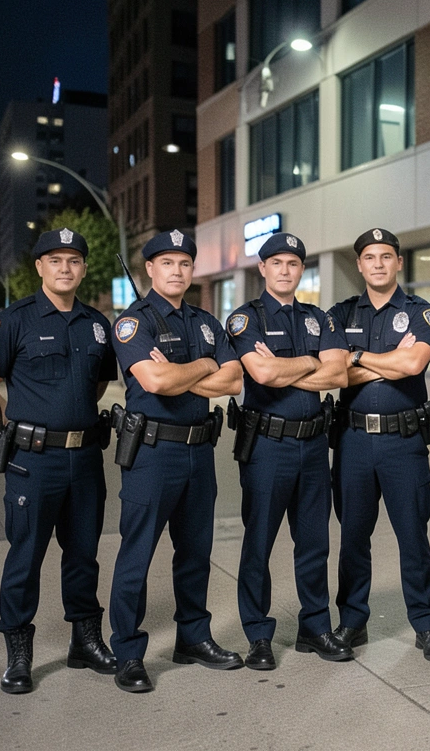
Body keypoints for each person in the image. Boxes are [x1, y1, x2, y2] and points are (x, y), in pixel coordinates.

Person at [0, 227, 119, 694]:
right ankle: (18, 653)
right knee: (25, 557)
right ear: (39, 267)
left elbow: (97, 384)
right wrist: (3, 434)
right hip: (33, 462)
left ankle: (85, 641)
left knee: (84, 555)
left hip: (85, 459)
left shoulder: (97, 324)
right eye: (55, 260)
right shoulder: (14, 320)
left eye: (74, 260)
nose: (65, 268)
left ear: (84, 269)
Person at [106, 229, 244, 693]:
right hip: (152, 453)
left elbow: (233, 381)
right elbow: (156, 382)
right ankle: (128, 652)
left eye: (184, 263)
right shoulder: (132, 322)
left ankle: (193, 638)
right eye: (167, 263)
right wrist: (205, 365)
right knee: (137, 555)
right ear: (149, 269)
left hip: (199, 452)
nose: (177, 271)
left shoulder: (205, 322)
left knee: (195, 552)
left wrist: (182, 372)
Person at [227, 232, 352, 670]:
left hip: (314, 445)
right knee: (258, 545)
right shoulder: (246, 319)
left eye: (293, 263)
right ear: (262, 269)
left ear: (302, 269)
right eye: (276, 263)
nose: (285, 270)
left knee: (314, 543)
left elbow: (339, 375)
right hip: (267, 445)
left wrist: (287, 368)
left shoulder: (320, 319)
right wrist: (312, 361)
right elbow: (261, 374)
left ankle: (315, 628)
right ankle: (258, 635)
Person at [329, 228, 430, 662]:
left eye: (386, 256)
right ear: (360, 265)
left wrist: (358, 356)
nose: (378, 264)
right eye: (369, 257)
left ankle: (427, 625)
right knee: (352, 538)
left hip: (403, 442)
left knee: (413, 536)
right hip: (353, 441)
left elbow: (413, 363)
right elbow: (334, 372)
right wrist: (387, 362)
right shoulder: (339, 314)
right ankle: (351, 622)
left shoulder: (421, 312)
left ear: (399, 262)